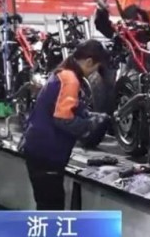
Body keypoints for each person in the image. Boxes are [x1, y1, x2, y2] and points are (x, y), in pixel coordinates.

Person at [19, 40, 111, 210]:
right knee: (51, 207)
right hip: (46, 153)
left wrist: (89, 115)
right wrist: (89, 125)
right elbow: (63, 119)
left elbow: (66, 107)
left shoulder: (62, 73)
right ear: (89, 61)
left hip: (39, 149)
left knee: (47, 205)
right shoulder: (70, 79)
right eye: (96, 68)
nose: (94, 73)